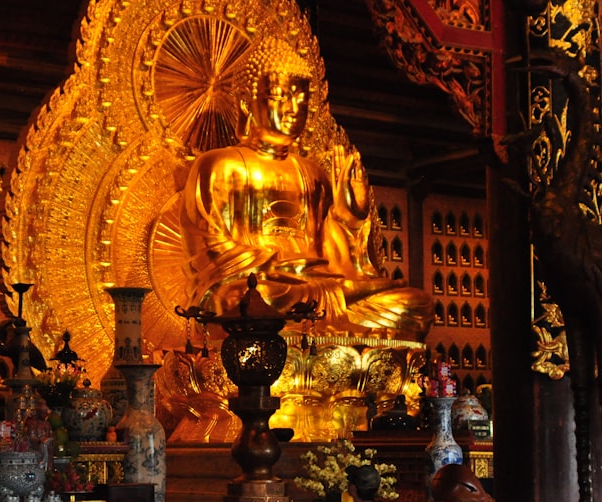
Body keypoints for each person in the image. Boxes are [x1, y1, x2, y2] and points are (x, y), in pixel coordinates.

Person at [179, 36, 432, 340]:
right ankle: (335, 339)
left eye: (300, 99)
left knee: (416, 303)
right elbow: (211, 256)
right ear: (246, 102)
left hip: (320, 291)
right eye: (278, 96)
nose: (291, 109)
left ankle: (333, 339)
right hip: (259, 290)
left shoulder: (313, 174)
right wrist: (284, 267)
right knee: (245, 300)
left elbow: (339, 265)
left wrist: (348, 221)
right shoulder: (219, 166)